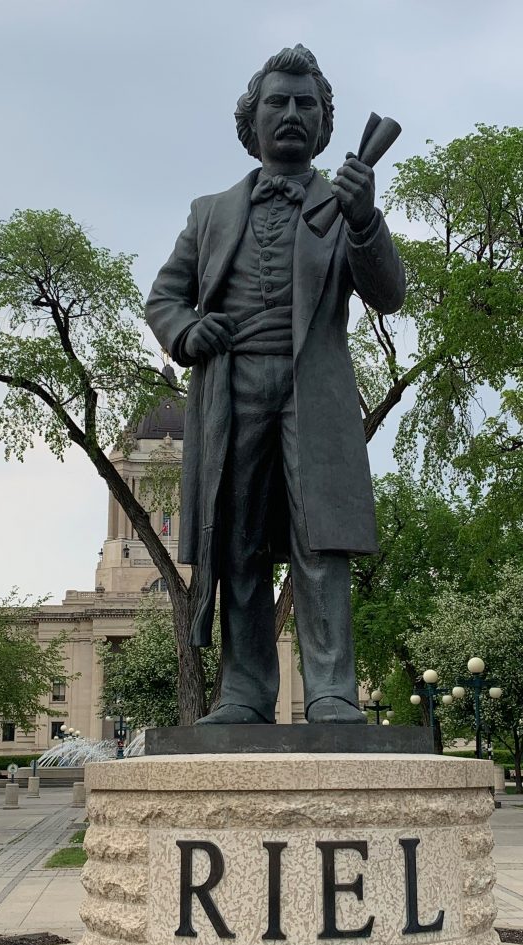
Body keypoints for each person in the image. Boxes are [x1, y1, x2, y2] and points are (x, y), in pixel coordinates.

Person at [146, 45, 405, 725]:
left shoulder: (344, 203)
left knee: (321, 543)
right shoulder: (210, 213)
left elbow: (389, 293)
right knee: (237, 544)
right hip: (230, 395)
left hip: (311, 394)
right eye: (277, 102)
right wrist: (186, 331)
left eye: (305, 104)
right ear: (251, 121)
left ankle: (329, 692)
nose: (291, 113)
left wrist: (365, 219)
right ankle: (244, 694)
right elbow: (164, 297)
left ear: (323, 125)